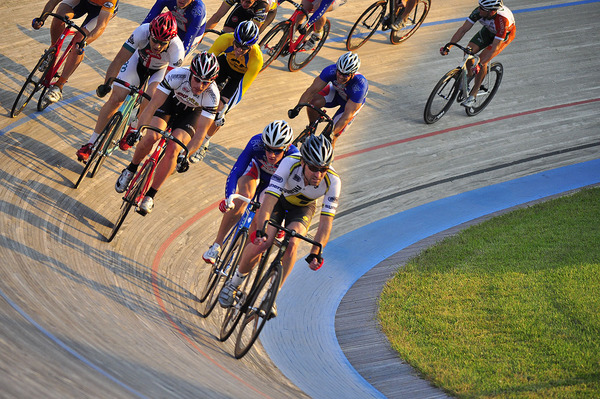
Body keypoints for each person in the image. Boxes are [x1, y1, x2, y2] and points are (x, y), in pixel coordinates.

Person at [218, 134, 340, 317]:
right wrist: (262, 228)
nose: (318, 174)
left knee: (292, 243)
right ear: (304, 163)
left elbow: (325, 223)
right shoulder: (289, 163)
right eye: (314, 168)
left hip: (303, 207)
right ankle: (233, 283)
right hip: (277, 200)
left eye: (323, 169)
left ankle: (272, 295)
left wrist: (316, 252)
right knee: (263, 242)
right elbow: (269, 200)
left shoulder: (333, 181)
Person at [114, 52, 220, 214]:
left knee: (174, 150)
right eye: (197, 79)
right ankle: (131, 169)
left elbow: (201, 132)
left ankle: (150, 195)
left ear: (211, 82)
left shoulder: (213, 96)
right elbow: (152, 105)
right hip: (170, 105)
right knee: (151, 136)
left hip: (190, 115)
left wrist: (186, 155)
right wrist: (138, 130)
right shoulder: (177, 75)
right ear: (191, 73)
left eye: (205, 83)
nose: (200, 86)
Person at [76, 12, 184, 162]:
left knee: (152, 96)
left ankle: (134, 127)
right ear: (150, 34)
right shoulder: (142, 31)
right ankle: (91, 143)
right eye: (154, 40)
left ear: (170, 41)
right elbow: (119, 60)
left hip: (159, 71)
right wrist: (107, 83)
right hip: (137, 61)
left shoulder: (177, 50)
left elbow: (168, 86)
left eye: (163, 43)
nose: (158, 46)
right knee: (116, 98)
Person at [202, 120, 299, 264]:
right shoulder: (256, 142)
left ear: (286, 147)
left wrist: (282, 220)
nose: (271, 155)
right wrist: (229, 198)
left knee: (260, 216)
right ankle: (217, 244)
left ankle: (239, 266)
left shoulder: (294, 157)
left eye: (277, 150)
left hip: (275, 183)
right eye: (268, 149)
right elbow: (236, 171)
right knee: (244, 196)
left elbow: (291, 193)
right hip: (256, 170)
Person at [190, 21, 263, 163]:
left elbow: (242, 89)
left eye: (244, 48)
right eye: (237, 44)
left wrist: (224, 108)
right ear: (233, 39)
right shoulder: (225, 39)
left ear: (251, 46)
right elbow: (207, 60)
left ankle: (204, 143)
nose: (239, 50)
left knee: (220, 111)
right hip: (224, 65)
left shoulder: (257, 59)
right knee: (200, 88)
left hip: (239, 77)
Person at [32, 0, 118, 104]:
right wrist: (42, 18)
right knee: (59, 17)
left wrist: (84, 43)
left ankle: (59, 85)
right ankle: (52, 52)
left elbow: (101, 26)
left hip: (100, 11)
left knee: (79, 40)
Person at [440, 0, 515, 107]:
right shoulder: (479, 11)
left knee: (482, 61)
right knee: (468, 50)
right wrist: (449, 46)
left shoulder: (503, 21)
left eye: (482, 9)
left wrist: (479, 64)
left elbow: (494, 47)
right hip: (489, 31)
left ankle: (473, 95)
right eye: (479, 6)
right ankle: (469, 76)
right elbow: (463, 30)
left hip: (503, 37)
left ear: (491, 12)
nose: (478, 9)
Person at [288, 51, 367, 147]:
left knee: (330, 139)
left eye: (345, 75)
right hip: (337, 93)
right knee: (313, 102)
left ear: (352, 74)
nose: (341, 77)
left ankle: (327, 160)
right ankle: (311, 127)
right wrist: (297, 108)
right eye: (339, 72)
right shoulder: (330, 70)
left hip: (349, 104)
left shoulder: (360, 86)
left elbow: (346, 115)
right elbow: (311, 91)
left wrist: (332, 133)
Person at [142, 0, 207, 57]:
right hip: (175, 25)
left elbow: (189, 38)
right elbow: (148, 21)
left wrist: (181, 57)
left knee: (178, 56)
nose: (182, 0)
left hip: (193, 32)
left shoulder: (198, 10)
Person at [205, 0, 273, 34]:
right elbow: (217, 16)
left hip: (268, 12)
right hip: (248, 9)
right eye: (242, 0)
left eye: (248, 2)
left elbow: (252, 31)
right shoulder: (244, 3)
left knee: (248, 37)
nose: (243, 3)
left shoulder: (263, 6)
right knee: (226, 33)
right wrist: (200, 36)